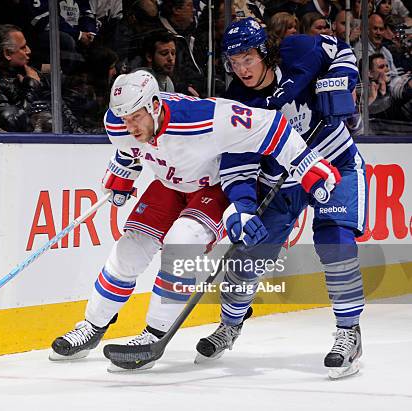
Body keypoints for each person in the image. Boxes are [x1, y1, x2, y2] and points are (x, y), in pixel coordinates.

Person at [49, 69, 342, 372]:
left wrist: (307, 164)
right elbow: (128, 150)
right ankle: (92, 326)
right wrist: (122, 175)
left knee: (181, 243)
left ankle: (153, 335)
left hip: (212, 188)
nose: (129, 125)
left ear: (154, 105)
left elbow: (273, 127)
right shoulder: (118, 123)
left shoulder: (205, 118)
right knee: (129, 249)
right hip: (168, 185)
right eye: (124, 118)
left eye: (136, 116)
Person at [200, 17, 366, 379]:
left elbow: (340, 49)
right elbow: (237, 168)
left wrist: (341, 83)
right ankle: (231, 324)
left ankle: (349, 333)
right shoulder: (236, 103)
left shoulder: (297, 50)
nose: (241, 68)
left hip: (335, 162)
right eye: (234, 61)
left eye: (248, 58)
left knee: (335, 241)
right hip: (282, 184)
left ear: (264, 52)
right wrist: (243, 208)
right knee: (249, 255)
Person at [0, 24, 82, 132]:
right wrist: (32, 86)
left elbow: (61, 108)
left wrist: (79, 132)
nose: (29, 51)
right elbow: (15, 123)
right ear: (7, 53)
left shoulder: (32, 72)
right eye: (23, 48)